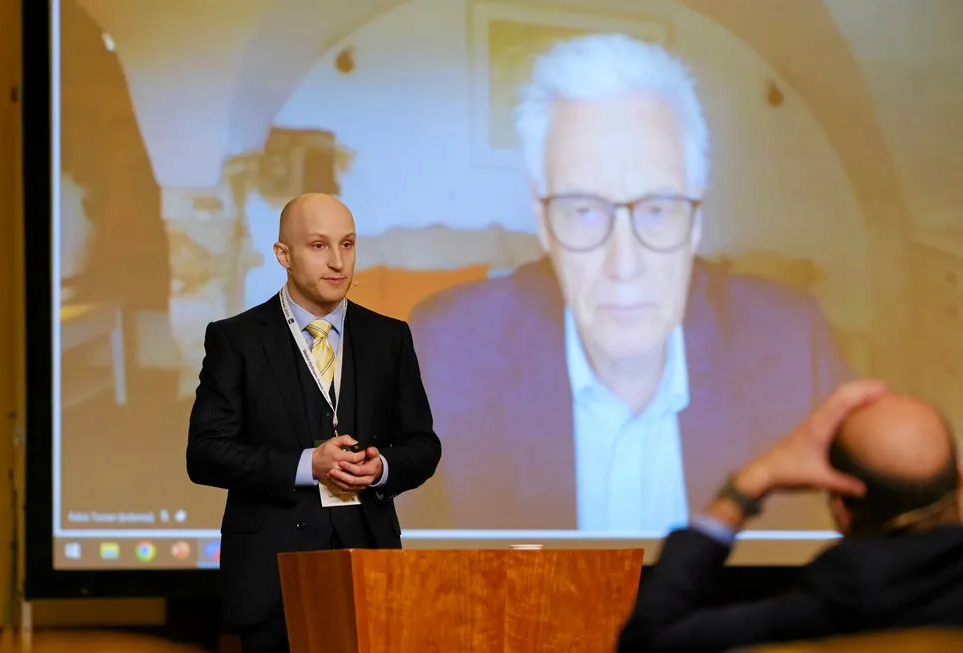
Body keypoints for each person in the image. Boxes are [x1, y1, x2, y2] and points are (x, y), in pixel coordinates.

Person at [401, 33, 849, 532]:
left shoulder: (790, 343)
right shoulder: (445, 352)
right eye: (585, 211)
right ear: (543, 221)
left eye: (657, 209)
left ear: (696, 215)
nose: (625, 264)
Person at [186, 193, 441, 653]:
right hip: (270, 577)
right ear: (283, 255)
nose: (339, 262)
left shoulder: (389, 337)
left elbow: (423, 444)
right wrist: (307, 465)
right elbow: (205, 454)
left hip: (370, 566)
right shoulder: (236, 339)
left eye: (347, 244)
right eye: (319, 246)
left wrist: (381, 468)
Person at [617, 381, 963, 652]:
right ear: (960, 480)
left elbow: (650, 639)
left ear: (842, 509)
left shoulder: (839, 603)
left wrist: (751, 483)